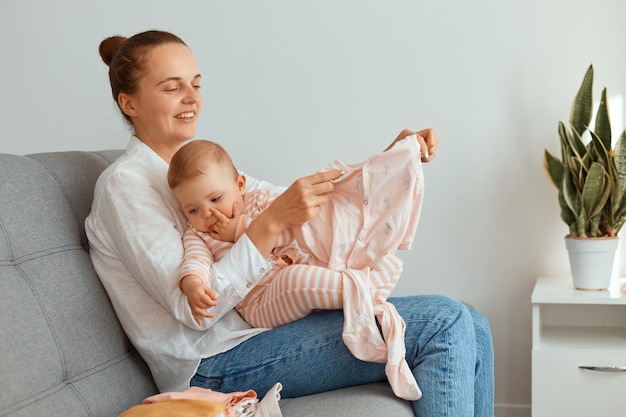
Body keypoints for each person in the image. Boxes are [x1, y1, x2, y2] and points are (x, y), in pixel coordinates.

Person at [86, 29, 494, 416]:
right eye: (172, 87)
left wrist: (391, 160)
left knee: (473, 323)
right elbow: (196, 313)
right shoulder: (126, 186)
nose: (192, 98)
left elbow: (302, 203)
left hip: (255, 331)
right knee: (446, 321)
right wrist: (268, 225)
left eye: (196, 83)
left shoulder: (198, 168)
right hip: (210, 362)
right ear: (130, 103)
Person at [168, 138, 425, 399]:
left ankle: (361, 281)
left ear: (240, 185)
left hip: (297, 271)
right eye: (193, 210)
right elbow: (194, 262)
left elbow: (304, 216)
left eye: (215, 198)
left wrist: (394, 154)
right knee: (295, 280)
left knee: (331, 241)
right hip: (261, 302)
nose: (208, 213)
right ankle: (365, 289)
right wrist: (193, 285)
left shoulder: (260, 202)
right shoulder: (198, 236)